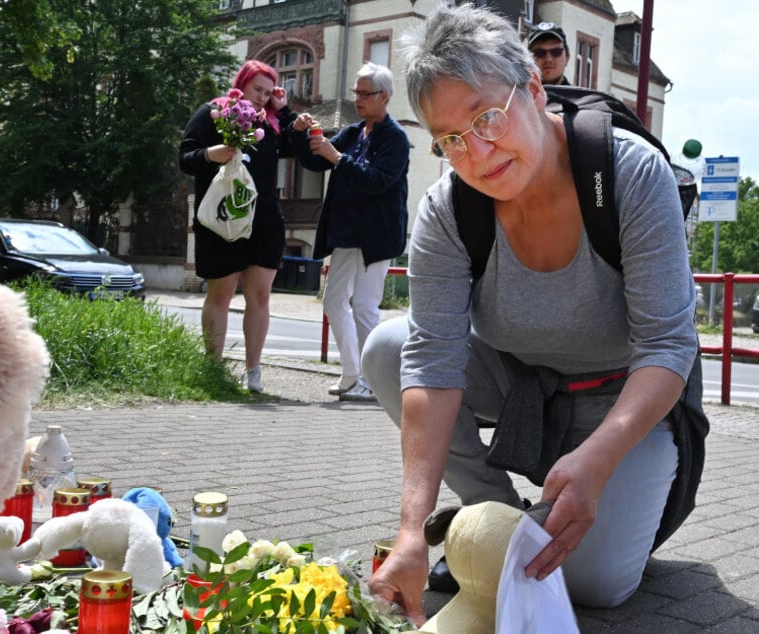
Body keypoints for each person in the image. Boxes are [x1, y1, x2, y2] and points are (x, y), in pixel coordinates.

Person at [361, 3, 705, 626]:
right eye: (451, 140)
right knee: (389, 347)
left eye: (488, 116)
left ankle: (598, 499)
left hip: (624, 401)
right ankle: (496, 518)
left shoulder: (626, 173)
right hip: (524, 386)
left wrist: (597, 459)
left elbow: (667, 346)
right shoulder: (447, 211)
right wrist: (412, 530)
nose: (479, 152)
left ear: (536, 88)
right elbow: (434, 357)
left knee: (593, 584)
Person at [291, 62, 409, 402]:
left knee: (365, 307)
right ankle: (351, 373)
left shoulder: (396, 139)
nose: (357, 98)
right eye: (355, 92)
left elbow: (378, 181)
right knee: (333, 301)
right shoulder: (356, 132)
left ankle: (374, 382)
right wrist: (303, 134)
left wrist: (338, 158)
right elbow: (316, 161)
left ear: (384, 96)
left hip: (376, 237)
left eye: (364, 93)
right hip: (345, 233)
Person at [179, 60, 298, 393]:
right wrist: (210, 155)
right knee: (222, 294)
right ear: (241, 84)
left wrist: (284, 110)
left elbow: (297, 146)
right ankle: (214, 368)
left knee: (260, 297)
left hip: (264, 221)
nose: (262, 98)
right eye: (256, 89)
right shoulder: (213, 113)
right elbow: (185, 158)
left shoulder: (272, 125)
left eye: (268, 92)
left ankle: (254, 372)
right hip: (222, 220)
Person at [527, 21, 571, 85]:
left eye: (556, 52)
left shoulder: (581, 95)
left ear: (567, 57)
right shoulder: (514, 94)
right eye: (540, 53)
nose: (548, 59)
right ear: (529, 59)